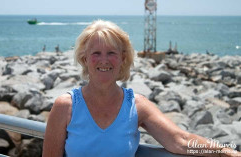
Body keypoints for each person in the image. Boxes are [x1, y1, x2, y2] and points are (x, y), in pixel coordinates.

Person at [43, 20, 241, 157]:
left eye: (111, 52)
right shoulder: (66, 107)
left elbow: (179, 140)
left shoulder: (136, 106)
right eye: (96, 53)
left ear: (123, 58)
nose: (104, 60)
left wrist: (228, 152)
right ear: (85, 59)